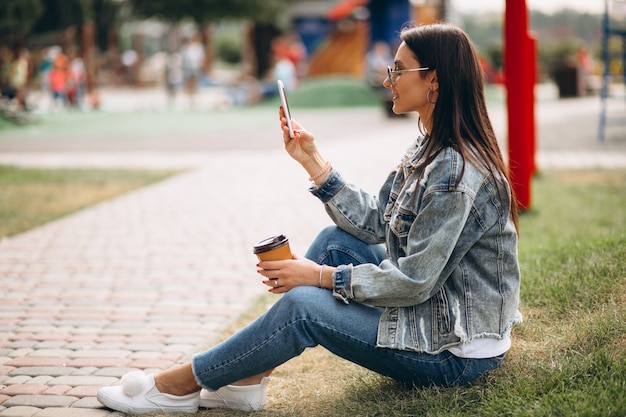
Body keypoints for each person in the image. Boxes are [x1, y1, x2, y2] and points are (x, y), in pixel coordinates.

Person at [97, 23, 522, 414]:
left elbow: (414, 282)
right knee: (333, 242)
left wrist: (318, 277)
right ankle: (247, 379)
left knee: (304, 304)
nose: (387, 79)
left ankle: (181, 385)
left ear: (434, 80)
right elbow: (377, 221)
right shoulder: (428, 145)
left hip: (454, 351)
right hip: (435, 311)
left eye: (398, 70)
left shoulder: (455, 170)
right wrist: (313, 161)